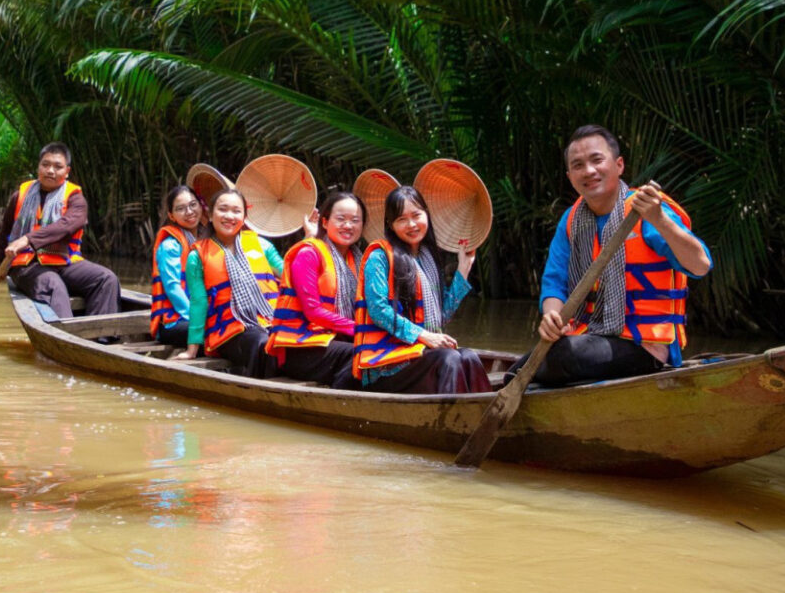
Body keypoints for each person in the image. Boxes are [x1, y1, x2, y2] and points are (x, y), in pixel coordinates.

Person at [516, 124, 712, 387]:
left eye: (596, 160)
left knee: (560, 356)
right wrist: (552, 317)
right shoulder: (572, 220)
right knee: (520, 369)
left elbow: (700, 265)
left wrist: (660, 219)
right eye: (578, 165)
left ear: (619, 165)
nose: (588, 171)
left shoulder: (647, 211)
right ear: (569, 176)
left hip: (645, 346)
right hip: (589, 336)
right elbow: (555, 283)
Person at [341, 186, 491, 394]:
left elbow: (442, 315)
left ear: (426, 215)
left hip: (419, 353)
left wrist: (463, 269)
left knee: (469, 357)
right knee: (449, 358)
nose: (411, 224)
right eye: (401, 219)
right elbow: (378, 310)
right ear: (391, 226)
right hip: (385, 364)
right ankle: (451, 421)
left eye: (416, 215)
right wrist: (424, 336)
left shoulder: (428, 257)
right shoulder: (379, 257)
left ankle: (482, 412)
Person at [0, 141, 121, 321]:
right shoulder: (20, 195)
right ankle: (67, 339)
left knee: (106, 279)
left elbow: (65, 225)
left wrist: (27, 239)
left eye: (57, 166)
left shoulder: (76, 198)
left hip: (64, 261)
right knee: (54, 286)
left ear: (67, 172)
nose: (50, 170)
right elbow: (6, 232)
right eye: (45, 165)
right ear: (38, 167)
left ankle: (101, 339)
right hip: (26, 265)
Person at [176, 188, 285, 378]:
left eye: (236, 211)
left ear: (244, 217)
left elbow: (292, 275)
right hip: (228, 331)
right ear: (210, 215)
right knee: (261, 342)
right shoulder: (197, 256)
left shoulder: (263, 246)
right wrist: (191, 349)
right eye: (223, 209)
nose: (229, 216)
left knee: (283, 340)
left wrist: (309, 238)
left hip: (270, 321)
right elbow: (198, 303)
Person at [264, 191, 363, 385]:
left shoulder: (358, 259)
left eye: (355, 220)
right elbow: (313, 312)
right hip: (301, 346)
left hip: (335, 339)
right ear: (325, 223)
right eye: (341, 219)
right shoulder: (308, 254)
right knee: (361, 355)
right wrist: (360, 330)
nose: (348, 226)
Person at [150, 185, 202, 347]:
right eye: (180, 209)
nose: (189, 212)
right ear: (171, 216)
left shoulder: (204, 242)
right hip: (174, 322)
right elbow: (173, 288)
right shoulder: (170, 246)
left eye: (193, 204)